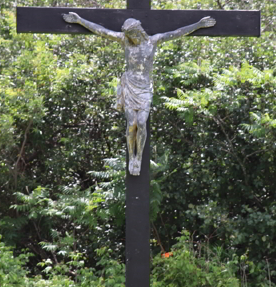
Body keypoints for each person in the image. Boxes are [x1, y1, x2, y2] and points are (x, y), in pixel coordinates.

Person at [63, 12, 216, 175]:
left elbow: (177, 32)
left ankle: (139, 156)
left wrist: (198, 25)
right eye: (130, 36)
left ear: (139, 31)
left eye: (134, 35)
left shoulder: (153, 41)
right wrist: (80, 21)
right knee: (131, 124)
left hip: (144, 87)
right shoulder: (125, 42)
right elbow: (102, 31)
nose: (132, 38)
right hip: (129, 85)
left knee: (141, 122)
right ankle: (132, 157)